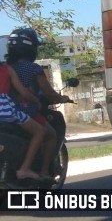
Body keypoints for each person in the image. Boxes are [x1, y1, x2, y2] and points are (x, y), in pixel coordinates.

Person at [7, 28, 70, 180]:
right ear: (31, 48)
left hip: (6, 112)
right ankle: (43, 172)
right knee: (50, 136)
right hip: (26, 111)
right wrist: (61, 99)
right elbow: (48, 93)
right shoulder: (34, 69)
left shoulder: (6, 68)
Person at [0, 59, 46, 180]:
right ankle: (24, 169)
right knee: (39, 131)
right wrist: (36, 100)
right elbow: (24, 92)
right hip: (5, 111)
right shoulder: (7, 69)